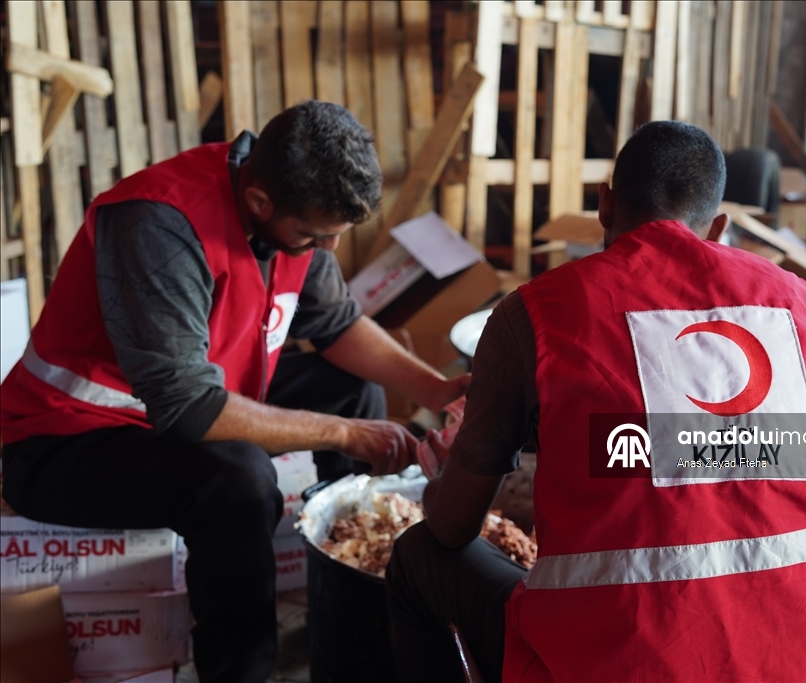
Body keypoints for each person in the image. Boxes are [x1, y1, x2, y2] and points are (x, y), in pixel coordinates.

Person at [386, 121, 806, 682]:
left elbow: (454, 526)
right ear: (719, 228)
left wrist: (441, 478)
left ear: (603, 203)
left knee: (417, 556)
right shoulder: (793, 303)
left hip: (631, 662)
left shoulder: (536, 313)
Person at [0, 101, 467, 682]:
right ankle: (241, 669)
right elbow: (189, 408)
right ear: (259, 202)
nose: (327, 254)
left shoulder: (294, 212)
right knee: (239, 482)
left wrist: (439, 386)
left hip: (176, 406)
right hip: (62, 439)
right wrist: (347, 435)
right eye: (314, 238)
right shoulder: (159, 222)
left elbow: (337, 324)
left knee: (353, 391)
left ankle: (344, 591)